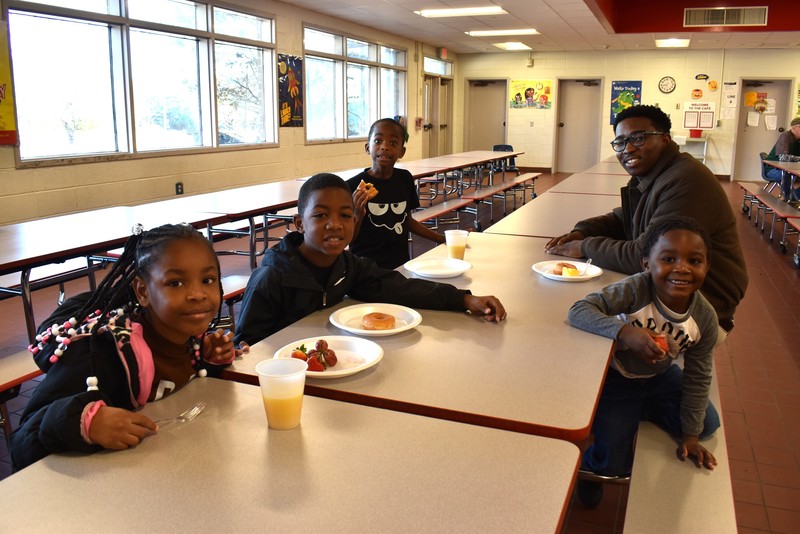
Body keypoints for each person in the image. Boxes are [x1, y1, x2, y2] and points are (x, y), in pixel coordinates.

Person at [10, 223, 249, 471]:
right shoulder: (105, 352)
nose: (198, 294)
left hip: (164, 471)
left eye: (208, 280)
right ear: (143, 291)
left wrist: (210, 361)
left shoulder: (190, 337)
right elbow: (22, 443)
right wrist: (86, 422)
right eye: (176, 283)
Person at [545, 104, 747, 339]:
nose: (628, 149)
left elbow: (644, 257)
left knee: (578, 329)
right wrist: (583, 231)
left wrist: (584, 247)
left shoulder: (686, 180)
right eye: (620, 142)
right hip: (671, 296)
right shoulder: (654, 173)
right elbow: (626, 218)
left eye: (638, 138)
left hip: (698, 313)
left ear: (664, 139)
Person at [234, 173, 506, 346]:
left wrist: (463, 299)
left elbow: (401, 287)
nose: (335, 225)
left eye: (345, 215)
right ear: (299, 224)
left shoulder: (347, 266)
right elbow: (245, 347)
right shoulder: (271, 279)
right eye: (320, 216)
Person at [568, 216, 720, 508]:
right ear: (647, 265)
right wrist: (625, 333)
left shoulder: (704, 318)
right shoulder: (636, 289)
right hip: (617, 379)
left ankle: (640, 410)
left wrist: (690, 436)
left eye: (695, 260)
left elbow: (698, 377)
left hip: (660, 379)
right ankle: (588, 471)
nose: (682, 268)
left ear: (707, 266)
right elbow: (579, 310)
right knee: (612, 463)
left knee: (706, 424)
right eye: (668, 258)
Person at [346, 118, 445, 269]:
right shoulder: (353, 186)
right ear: (367, 148)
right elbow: (349, 240)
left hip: (399, 265)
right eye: (378, 141)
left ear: (401, 151)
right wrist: (358, 214)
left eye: (393, 143)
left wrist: (441, 238)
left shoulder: (404, 178)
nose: (384, 147)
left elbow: (406, 220)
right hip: (364, 269)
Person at [764, 117, 800, 201]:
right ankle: (791, 200)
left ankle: (794, 198)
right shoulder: (785, 136)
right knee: (786, 175)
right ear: (794, 127)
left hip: (789, 170)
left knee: (788, 174)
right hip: (772, 169)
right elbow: (783, 157)